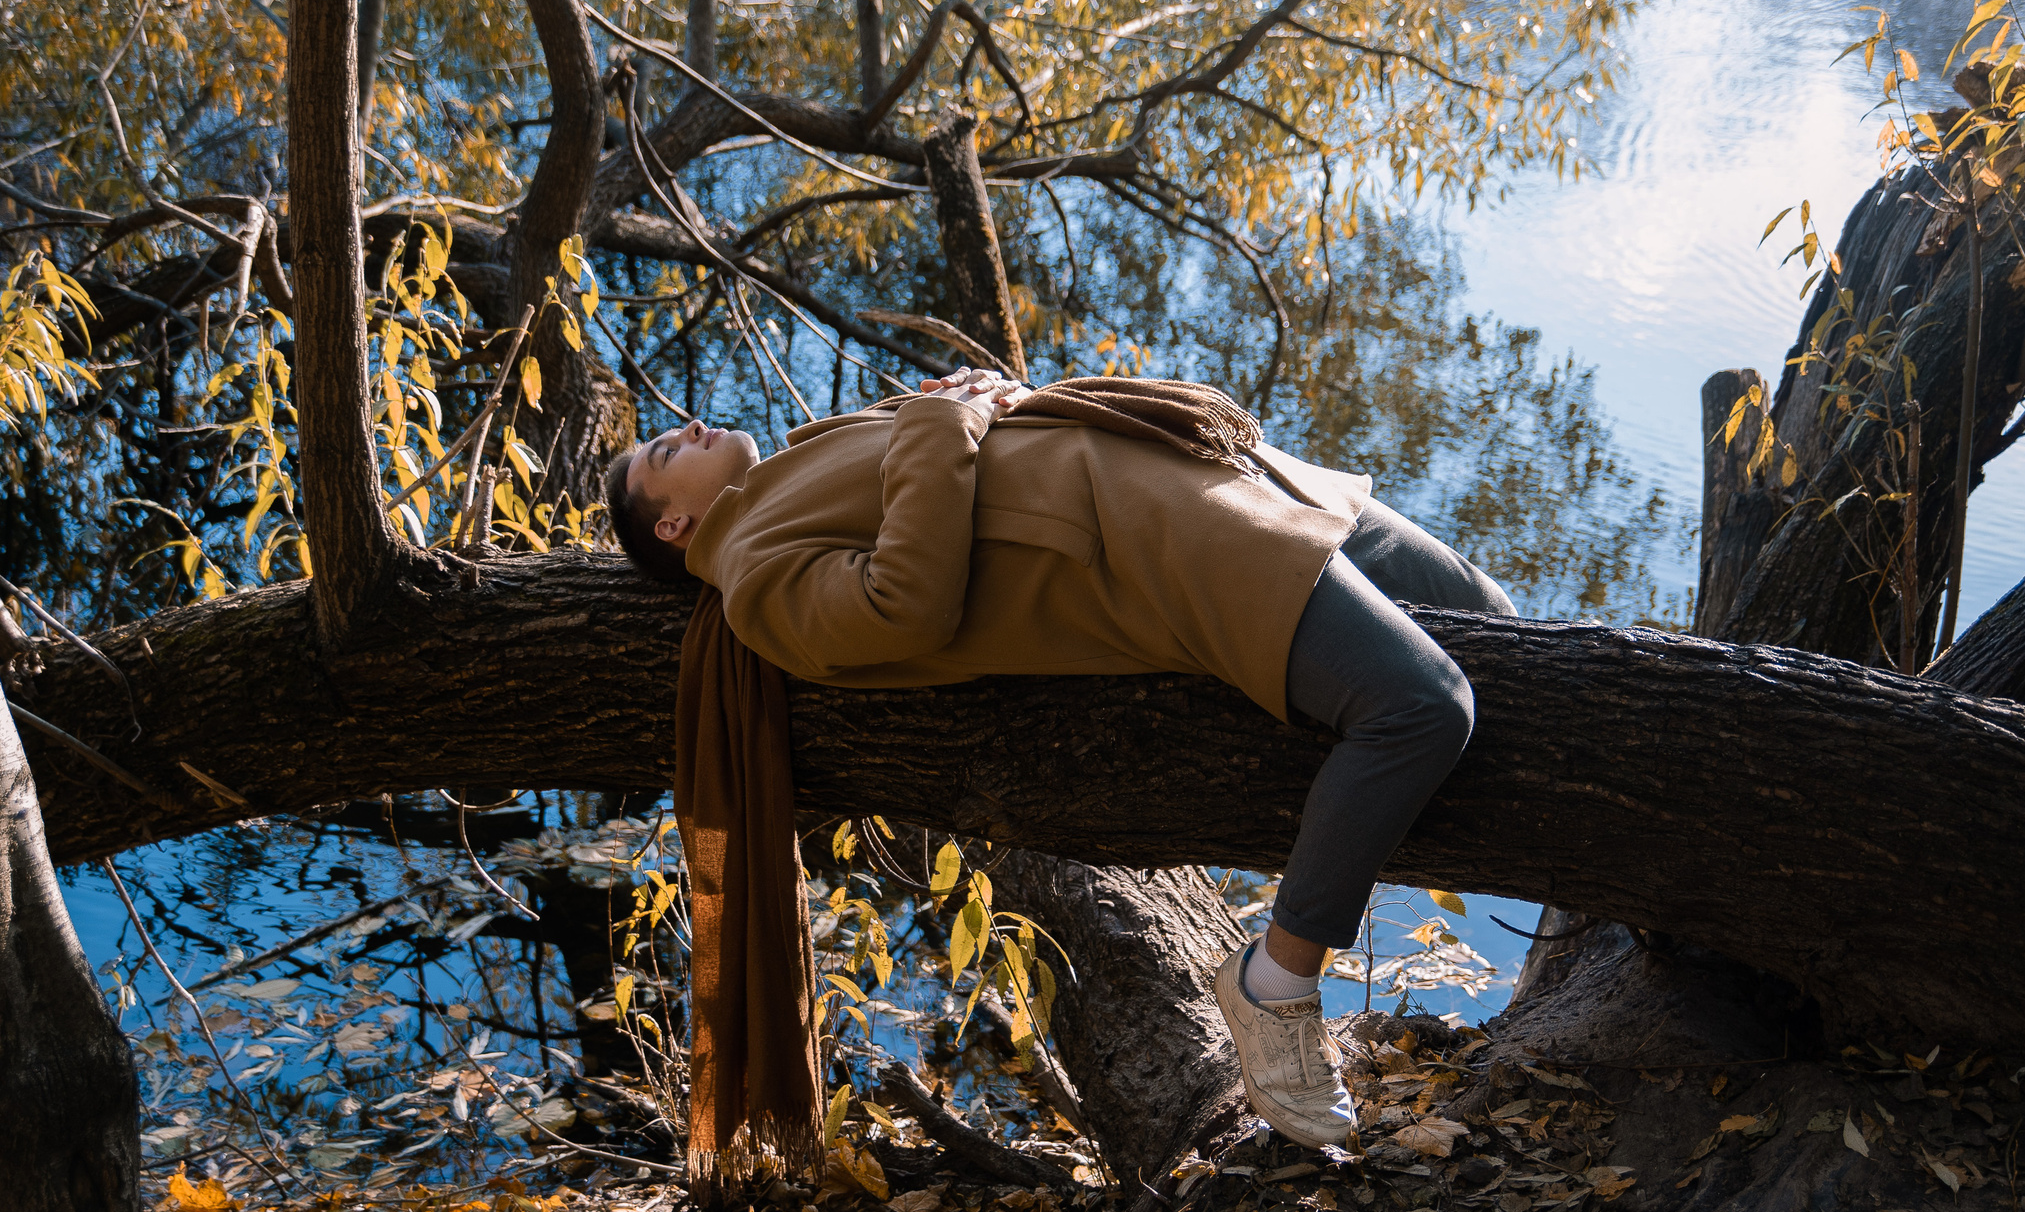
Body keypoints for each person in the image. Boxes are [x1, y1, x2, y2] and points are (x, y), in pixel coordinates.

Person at [604, 368, 1515, 1150]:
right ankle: (1275, 981)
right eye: (664, 452)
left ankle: (1577, 919)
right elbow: (901, 602)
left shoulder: (801, 456)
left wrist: (986, 396)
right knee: (1422, 706)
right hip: (1162, 533)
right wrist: (943, 418)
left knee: (1494, 618)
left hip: (1212, 465)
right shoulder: (755, 573)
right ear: (675, 525)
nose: (689, 426)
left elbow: (962, 460)